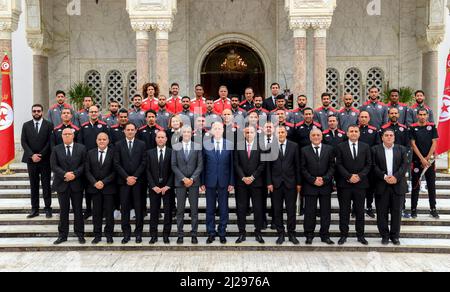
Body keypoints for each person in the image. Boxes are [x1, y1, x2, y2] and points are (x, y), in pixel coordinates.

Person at [335, 125, 371, 246]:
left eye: (356, 131)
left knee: (360, 211)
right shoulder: (340, 147)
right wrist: (349, 176)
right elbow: (338, 164)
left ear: (359, 134)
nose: (354, 133)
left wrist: (359, 176)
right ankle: (343, 235)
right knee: (344, 211)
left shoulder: (365, 147)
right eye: (351, 131)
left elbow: (368, 164)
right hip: (344, 184)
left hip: (360, 185)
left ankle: (360, 235)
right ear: (347, 133)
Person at [372, 129, 409, 245]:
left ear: (394, 137)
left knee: (397, 212)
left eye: (391, 135)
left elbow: (404, 165)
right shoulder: (375, 150)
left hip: (397, 185)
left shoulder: (402, 149)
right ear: (382, 137)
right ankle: (385, 236)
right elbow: (373, 166)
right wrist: (384, 176)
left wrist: (395, 177)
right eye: (386, 135)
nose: (389, 137)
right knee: (381, 212)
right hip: (381, 185)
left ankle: (395, 236)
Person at [51, 128, 87, 245]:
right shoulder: (56, 149)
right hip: (62, 184)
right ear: (62, 136)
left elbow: (84, 164)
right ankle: (62, 235)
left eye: (69, 134)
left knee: (78, 210)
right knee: (63, 211)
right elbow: (53, 165)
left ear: (73, 135)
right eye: (65, 134)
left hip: (77, 184)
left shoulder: (81, 148)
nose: (67, 136)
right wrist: (64, 174)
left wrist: (74, 174)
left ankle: (80, 234)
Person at [267, 126, 301, 245]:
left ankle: (291, 233)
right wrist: (269, 182)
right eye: (278, 132)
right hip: (275, 184)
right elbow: (268, 167)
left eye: (282, 132)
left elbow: (297, 166)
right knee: (277, 210)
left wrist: (298, 183)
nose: (280, 134)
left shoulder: (294, 146)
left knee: (291, 210)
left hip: (290, 183)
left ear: (286, 134)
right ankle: (280, 233)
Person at [201, 122, 234, 244]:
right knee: (210, 208)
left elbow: (232, 165)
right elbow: (203, 165)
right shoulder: (206, 144)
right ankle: (211, 232)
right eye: (215, 128)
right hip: (209, 181)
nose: (218, 130)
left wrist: (231, 182)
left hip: (224, 181)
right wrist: (202, 182)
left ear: (223, 130)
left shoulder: (229, 144)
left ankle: (222, 232)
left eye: (220, 128)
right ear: (212, 131)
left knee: (223, 208)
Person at [301, 129, 335, 245]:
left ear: (322, 136)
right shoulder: (304, 150)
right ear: (310, 137)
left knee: (326, 212)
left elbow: (332, 167)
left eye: (318, 135)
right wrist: (313, 179)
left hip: (325, 185)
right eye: (313, 135)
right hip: (310, 186)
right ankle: (309, 235)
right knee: (310, 212)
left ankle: (325, 235)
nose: (316, 137)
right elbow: (302, 168)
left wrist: (324, 179)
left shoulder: (329, 149)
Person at [114, 123, 147, 244]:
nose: (130, 131)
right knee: (125, 209)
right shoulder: (118, 145)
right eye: (128, 130)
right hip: (124, 182)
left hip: (138, 182)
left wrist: (135, 177)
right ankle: (126, 234)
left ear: (136, 131)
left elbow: (144, 162)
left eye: (132, 130)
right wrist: (127, 177)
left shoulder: (142, 144)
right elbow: (116, 163)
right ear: (124, 131)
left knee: (139, 209)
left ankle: (138, 233)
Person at [171, 126, 203, 245]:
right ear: (181, 133)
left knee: (194, 210)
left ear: (191, 133)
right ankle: (180, 234)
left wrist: (192, 179)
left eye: (188, 132)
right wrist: (184, 179)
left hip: (194, 183)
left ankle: (194, 234)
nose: (186, 133)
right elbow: (173, 165)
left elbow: (200, 165)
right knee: (180, 210)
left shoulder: (197, 147)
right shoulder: (176, 147)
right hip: (180, 183)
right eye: (184, 132)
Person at [234, 126, 266, 244]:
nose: (249, 134)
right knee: (241, 209)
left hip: (256, 183)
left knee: (257, 208)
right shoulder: (238, 145)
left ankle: (258, 232)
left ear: (255, 133)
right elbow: (236, 164)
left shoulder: (261, 146)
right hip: (241, 183)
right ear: (244, 133)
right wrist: (243, 177)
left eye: (251, 132)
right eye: (247, 132)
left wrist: (252, 177)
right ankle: (242, 233)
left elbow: (262, 164)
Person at [21, 104, 54, 219]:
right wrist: (32, 155)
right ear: (32, 112)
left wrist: (40, 155)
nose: (36, 113)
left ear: (42, 112)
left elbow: (50, 142)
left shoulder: (49, 125)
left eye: (38, 111)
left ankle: (48, 209)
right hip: (31, 161)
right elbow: (23, 142)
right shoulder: (26, 125)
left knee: (46, 186)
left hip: (45, 160)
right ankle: (34, 209)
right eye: (34, 111)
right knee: (33, 186)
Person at [78, 105, 109, 220]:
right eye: (92, 112)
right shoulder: (83, 127)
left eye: (96, 112)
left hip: (101, 161)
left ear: (98, 113)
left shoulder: (104, 126)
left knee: (103, 186)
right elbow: (80, 144)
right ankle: (88, 210)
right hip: (88, 161)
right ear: (88, 114)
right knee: (88, 187)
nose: (94, 113)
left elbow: (108, 142)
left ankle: (104, 210)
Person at [85, 133, 116, 244]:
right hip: (95, 188)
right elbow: (87, 171)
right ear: (96, 141)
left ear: (108, 141)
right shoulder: (90, 153)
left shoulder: (113, 153)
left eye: (104, 139)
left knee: (109, 213)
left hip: (108, 188)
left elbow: (115, 171)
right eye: (99, 139)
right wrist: (94, 182)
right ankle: (97, 235)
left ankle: (109, 235)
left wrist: (103, 182)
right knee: (96, 213)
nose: (102, 141)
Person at [410, 108, 440, 219]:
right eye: (420, 114)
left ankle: (433, 209)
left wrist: (427, 158)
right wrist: (422, 159)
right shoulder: (412, 127)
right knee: (415, 186)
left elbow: (434, 142)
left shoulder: (432, 126)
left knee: (431, 186)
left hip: (429, 162)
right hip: (417, 161)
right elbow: (413, 144)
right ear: (417, 116)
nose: (422, 116)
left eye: (424, 114)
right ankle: (413, 209)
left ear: (427, 116)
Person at [147, 131, 174, 244]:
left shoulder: (171, 152)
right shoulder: (149, 153)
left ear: (166, 139)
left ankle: (166, 235)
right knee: (154, 212)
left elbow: (174, 170)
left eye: (163, 137)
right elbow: (147, 171)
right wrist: (153, 186)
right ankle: (153, 235)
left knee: (168, 212)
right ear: (155, 139)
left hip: (167, 188)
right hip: (154, 188)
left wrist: (168, 185)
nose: (161, 139)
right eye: (158, 137)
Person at [358, 111, 380, 218]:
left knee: (370, 187)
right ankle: (355, 208)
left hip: (370, 164)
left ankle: (369, 207)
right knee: (357, 187)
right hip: (357, 163)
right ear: (359, 118)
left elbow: (377, 146)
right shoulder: (355, 130)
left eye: (365, 117)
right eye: (361, 117)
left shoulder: (374, 130)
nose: (363, 118)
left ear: (369, 118)